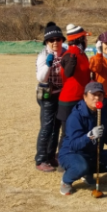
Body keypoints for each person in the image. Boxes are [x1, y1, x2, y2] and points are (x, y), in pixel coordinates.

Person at [58, 82, 107, 195]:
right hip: (71, 153)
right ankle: (66, 181)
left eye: (100, 95)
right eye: (93, 95)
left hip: (94, 154)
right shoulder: (75, 116)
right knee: (80, 166)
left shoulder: (102, 112)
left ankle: (88, 172)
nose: (97, 98)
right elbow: (74, 144)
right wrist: (89, 136)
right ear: (85, 97)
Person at [35, 22, 66, 172]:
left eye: (58, 39)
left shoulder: (65, 53)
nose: (55, 42)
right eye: (51, 40)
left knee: (56, 127)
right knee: (47, 127)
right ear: (46, 42)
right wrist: (48, 65)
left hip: (61, 95)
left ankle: (51, 155)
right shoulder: (43, 55)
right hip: (47, 95)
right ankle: (41, 159)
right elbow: (41, 78)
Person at [57, 24, 92, 142]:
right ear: (80, 39)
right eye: (85, 38)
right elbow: (68, 73)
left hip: (81, 99)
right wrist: (71, 60)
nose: (87, 41)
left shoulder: (82, 55)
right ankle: (63, 159)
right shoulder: (70, 54)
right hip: (69, 101)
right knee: (67, 134)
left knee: (80, 132)